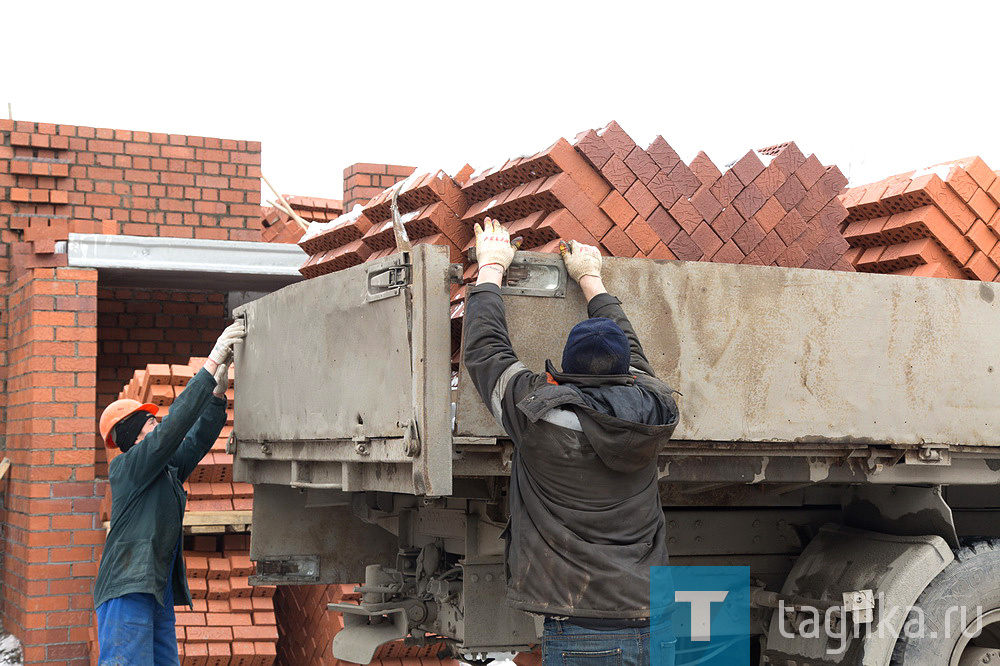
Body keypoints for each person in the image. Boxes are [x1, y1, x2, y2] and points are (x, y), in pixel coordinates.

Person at [463, 219, 680, 666]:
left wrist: (491, 267)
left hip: (582, 628)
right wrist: (591, 278)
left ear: (565, 370)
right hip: (655, 621)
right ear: (628, 374)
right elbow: (635, 358)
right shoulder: (656, 412)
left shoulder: (538, 416)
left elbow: (486, 352)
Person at [93, 320, 246, 665]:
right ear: (133, 436)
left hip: (153, 589)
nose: (157, 424)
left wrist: (216, 397)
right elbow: (174, 430)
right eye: (149, 423)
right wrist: (210, 366)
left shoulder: (163, 470)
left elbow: (193, 444)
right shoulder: (129, 467)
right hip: (126, 590)